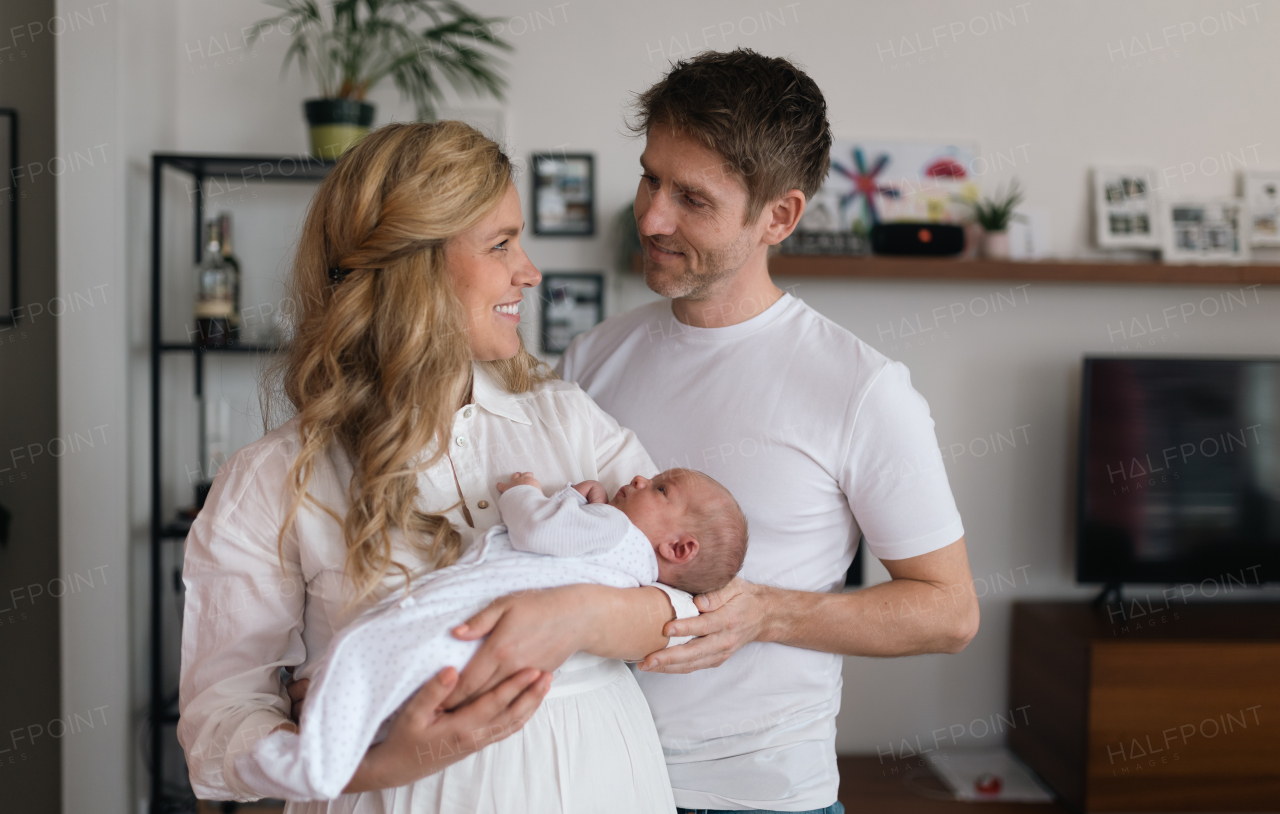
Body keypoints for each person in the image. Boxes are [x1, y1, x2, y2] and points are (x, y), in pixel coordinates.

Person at [178, 121, 701, 813]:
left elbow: (689, 612)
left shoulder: (569, 421)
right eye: (500, 244)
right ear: (412, 270)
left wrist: (569, 617)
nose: (531, 271)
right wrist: (374, 764)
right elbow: (218, 723)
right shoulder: (272, 479)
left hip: (604, 783)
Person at [556, 49, 980, 813]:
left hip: (756, 796)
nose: (651, 217)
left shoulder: (861, 390)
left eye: (692, 198)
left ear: (778, 216)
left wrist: (770, 613)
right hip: (589, 773)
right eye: (651, 177)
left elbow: (949, 612)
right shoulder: (592, 357)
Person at [247, 468, 748, 800]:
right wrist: (578, 505)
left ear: (680, 549)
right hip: (493, 664)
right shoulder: (632, 565)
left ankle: (317, 762)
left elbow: (536, 529)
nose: (640, 476)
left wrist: (524, 491)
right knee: (382, 676)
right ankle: (340, 738)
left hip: (463, 625)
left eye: (660, 488)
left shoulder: (617, 532)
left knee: (362, 652)